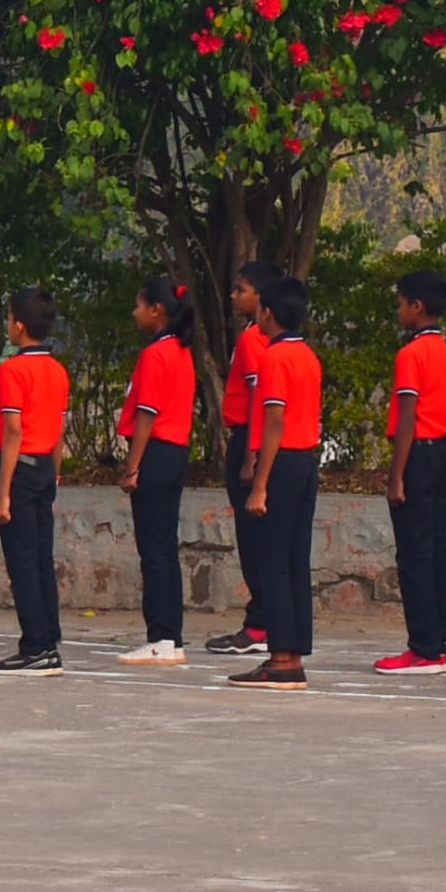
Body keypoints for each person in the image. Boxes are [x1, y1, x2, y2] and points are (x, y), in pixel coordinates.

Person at [228, 267, 324, 690]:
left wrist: (260, 482)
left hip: (282, 462)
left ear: (267, 312)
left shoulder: (273, 356)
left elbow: (273, 421)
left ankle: (281, 656)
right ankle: (293, 649)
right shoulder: (307, 355)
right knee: (294, 559)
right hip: (306, 460)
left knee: (274, 562)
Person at [373, 271, 446, 676]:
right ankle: (434, 643)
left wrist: (396, 475)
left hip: (419, 455)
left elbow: (407, 416)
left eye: (401, 302)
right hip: (441, 452)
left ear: (416, 306)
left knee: (414, 554)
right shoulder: (444, 349)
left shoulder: (411, 354)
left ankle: (423, 647)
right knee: (432, 552)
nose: (398, 310)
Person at [0, 289, 72, 675]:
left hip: (19, 469)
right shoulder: (57, 370)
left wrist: (2, 494)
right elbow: (59, 430)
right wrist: (54, 475)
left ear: (18, 325)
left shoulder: (12, 370)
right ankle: (47, 640)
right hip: (44, 469)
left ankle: (34, 645)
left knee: (22, 561)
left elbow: (13, 432)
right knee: (39, 558)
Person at [116, 278, 200, 663]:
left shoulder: (156, 354)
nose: (134, 312)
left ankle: (161, 636)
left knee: (153, 549)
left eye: (139, 305)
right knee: (164, 545)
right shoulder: (182, 351)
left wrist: (132, 466)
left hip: (156, 452)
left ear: (157, 311)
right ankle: (170, 636)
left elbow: (147, 413)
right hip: (176, 452)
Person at [208, 271, 274, 656]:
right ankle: (266, 618)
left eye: (241, 290)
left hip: (250, 437)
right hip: (262, 440)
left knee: (253, 539)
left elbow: (256, 397)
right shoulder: (272, 339)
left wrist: (250, 455)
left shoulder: (253, 338)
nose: (233, 296)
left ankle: (259, 623)